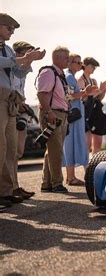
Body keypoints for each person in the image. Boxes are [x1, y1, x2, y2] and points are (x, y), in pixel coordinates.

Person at [0, 13, 45, 207]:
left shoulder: (8, 49)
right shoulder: (7, 52)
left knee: (9, 149)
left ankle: (6, 191)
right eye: (9, 28)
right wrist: (23, 58)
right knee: (0, 147)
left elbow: (16, 72)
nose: (12, 32)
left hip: (9, 101)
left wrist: (29, 62)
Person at [36, 46, 71, 193]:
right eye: (66, 58)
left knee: (52, 149)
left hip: (61, 114)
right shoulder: (49, 72)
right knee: (56, 151)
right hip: (52, 114)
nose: (68, 61)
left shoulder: (60, 74)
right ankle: (57, 183)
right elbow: (42, 94)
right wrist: (49, 112)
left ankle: (47, 183)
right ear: (56, 58)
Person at [63, 54, 98, 186]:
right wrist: (85, 92)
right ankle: (70, 177)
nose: (80, 65)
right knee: (70, 145)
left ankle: (71, 177)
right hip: (72, 116)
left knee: (74, 145)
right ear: (70, 63)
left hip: (77, 116)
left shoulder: (70, 76)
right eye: (77, 62)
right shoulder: (69, 77)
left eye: (80, 62)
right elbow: (69, 96)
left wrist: (85, 92)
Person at [11, 41, 37, 199]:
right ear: (19, 53)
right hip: (11, 109)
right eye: (29, 53)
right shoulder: (12, 67)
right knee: (10, 152)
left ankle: (14, 186)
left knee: (18, 152)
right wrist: (18, 103)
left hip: (19, 111)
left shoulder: (24, 69)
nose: (32, 56)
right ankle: (11, 188)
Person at [78, 57, 106, 154]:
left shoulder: (93, 81)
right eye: (92, 66)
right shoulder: (80, 81)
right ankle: (87, 167)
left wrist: (104, 89)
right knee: (87, 144)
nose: (94, 69)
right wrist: (100, 89)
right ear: (85, 65)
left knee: (98, 143)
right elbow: (84, 98)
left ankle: (94, 165)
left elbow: (99, 98)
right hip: (87, 113)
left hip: (96, 112)